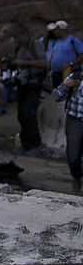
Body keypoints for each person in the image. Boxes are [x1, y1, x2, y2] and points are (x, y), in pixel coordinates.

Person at [6, 23, 47, 155]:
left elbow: (44, 63)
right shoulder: (19, 47)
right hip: (22, 84)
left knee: (29, 113)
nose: (16, 40)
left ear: (24, 35)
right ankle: (25, 144)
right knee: (21, 115)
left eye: (17, 37)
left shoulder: (35, 45)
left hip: (34, 84)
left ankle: (36, 144)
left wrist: (23, 63)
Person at [50, 60, 83, 194]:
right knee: (73, 155)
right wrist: (65, 86)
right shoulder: (76, 76)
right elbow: (56, 96)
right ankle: (76, 176)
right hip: (75, 119)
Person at [46, 20, 83, 87]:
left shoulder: (73, 40)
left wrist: (70, 64)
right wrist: (49, 71)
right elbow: (52, 56)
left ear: (61, 29)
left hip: (68, 73)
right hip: (55, 74)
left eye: (55, 29)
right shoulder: (56, 42)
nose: (54, 32)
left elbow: (82, 55)